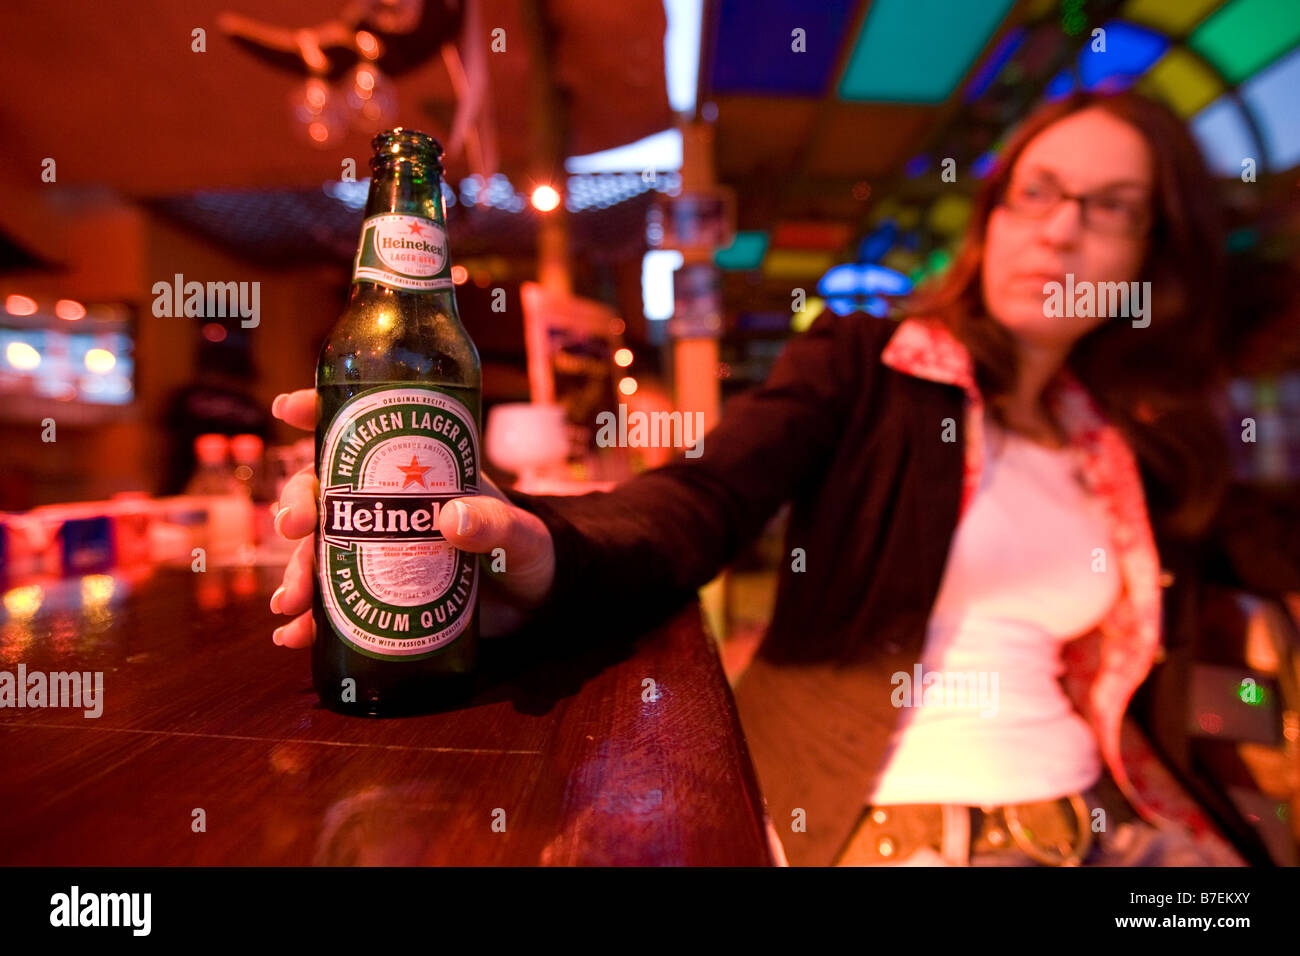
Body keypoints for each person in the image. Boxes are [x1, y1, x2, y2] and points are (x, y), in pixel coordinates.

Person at [266, 91, 1300, 866]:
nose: (1063, 228)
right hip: (906, 830)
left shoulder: (1119, 442)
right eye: (1038, 191)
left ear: (1146, 255)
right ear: (990, 215)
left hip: (1118, 825)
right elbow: (696, 500)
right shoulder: (866, 366)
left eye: (1110, 207)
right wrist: (533, 541)